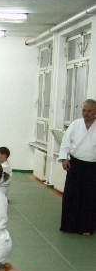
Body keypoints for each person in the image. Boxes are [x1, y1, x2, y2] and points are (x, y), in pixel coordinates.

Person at [58, 99, 96, 235]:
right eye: (84, 110)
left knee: (89, 197)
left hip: (92, 166)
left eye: (89, 111)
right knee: (71, 195)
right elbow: (65, 142)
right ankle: (68, 225)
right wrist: (64, 158)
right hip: (75, 164)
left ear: (95, 111)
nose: (86, 113)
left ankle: (86, 227)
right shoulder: (75, 124)